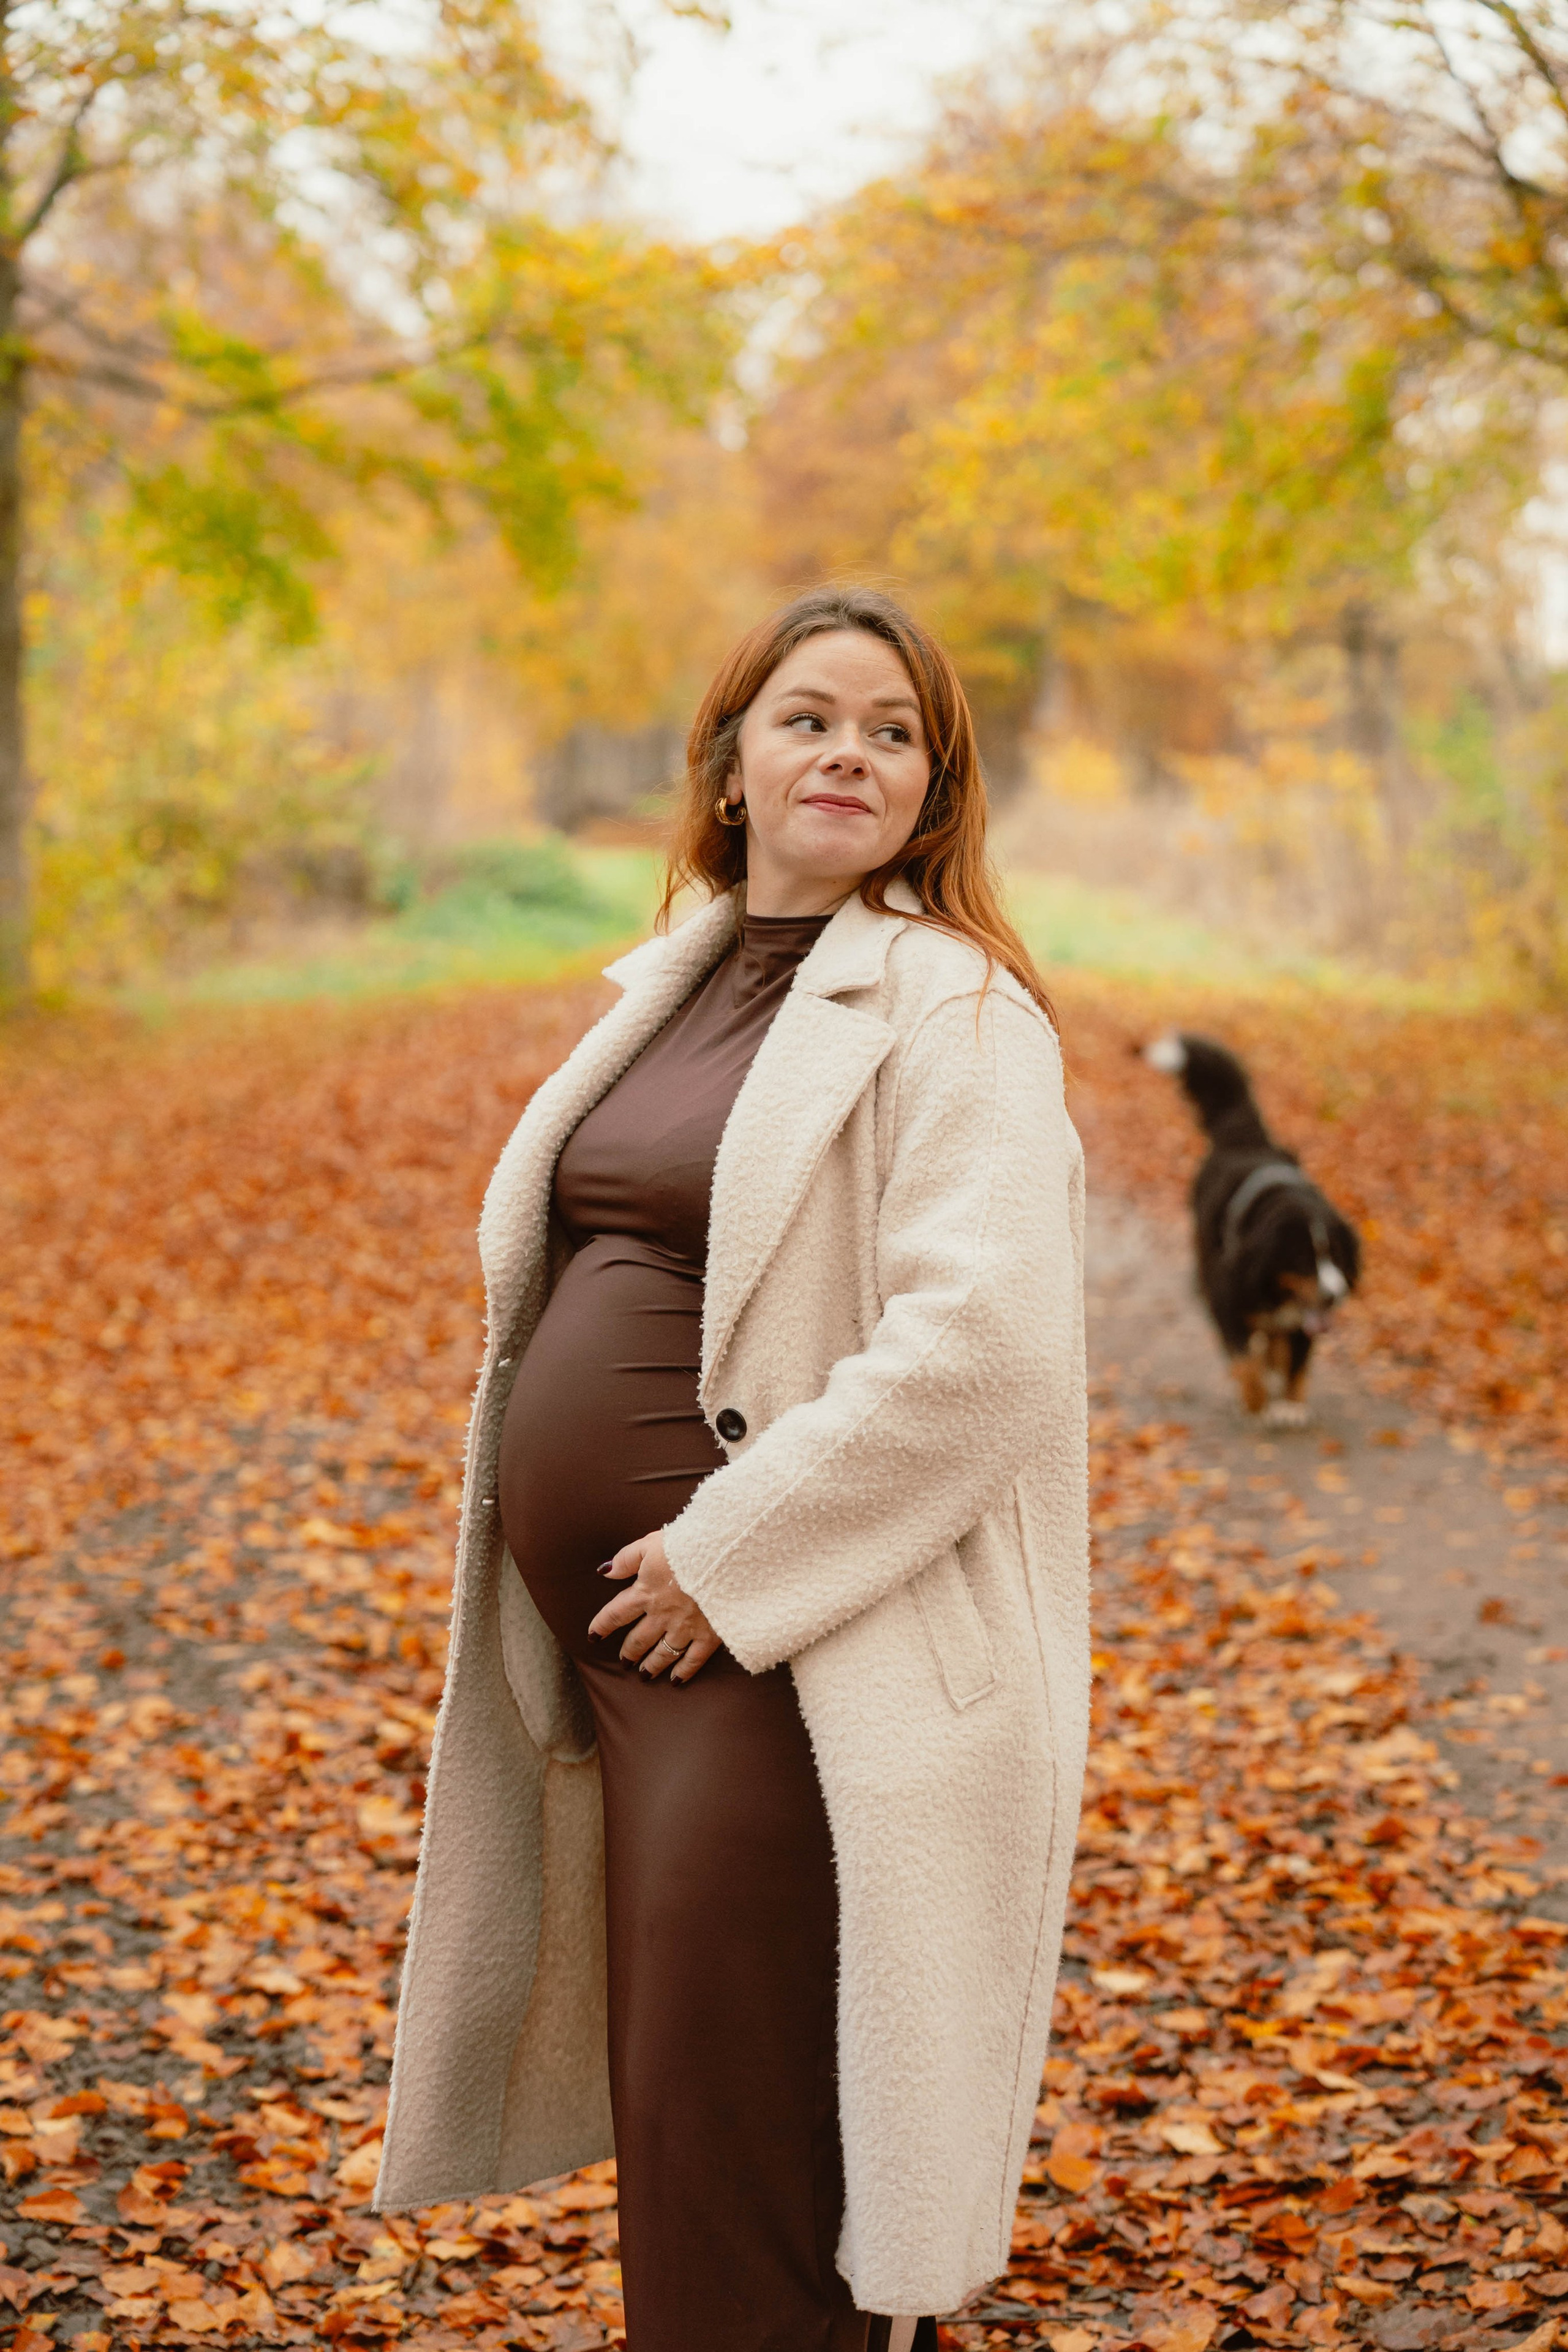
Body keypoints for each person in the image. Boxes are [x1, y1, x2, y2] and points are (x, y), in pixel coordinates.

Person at [375, 586, 1090, 2352]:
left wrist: (731, 1556)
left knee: (747, 2158)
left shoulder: (955, 1011)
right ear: (730, 763)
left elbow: (991, 1344)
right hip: (629, 1674)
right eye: (810, 717)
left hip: (793, 1665)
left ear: (933, 795)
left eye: (895, 731)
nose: (851, 748)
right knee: (694, 2130)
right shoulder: (679, 984)